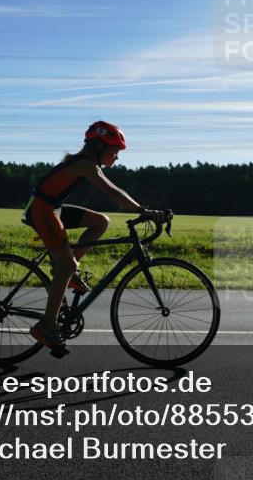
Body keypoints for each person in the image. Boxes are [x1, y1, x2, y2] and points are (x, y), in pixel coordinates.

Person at [23, 120, 167, 356]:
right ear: (98, 146)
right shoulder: (86, 165)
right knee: (66, 264)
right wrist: (144, 210)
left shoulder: (86, 163)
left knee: (101, 222)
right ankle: (46, 326)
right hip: (42, 210)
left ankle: (67, 273)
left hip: (53, 207)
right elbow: (113, 192)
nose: (117, 158)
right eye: (115, 152)